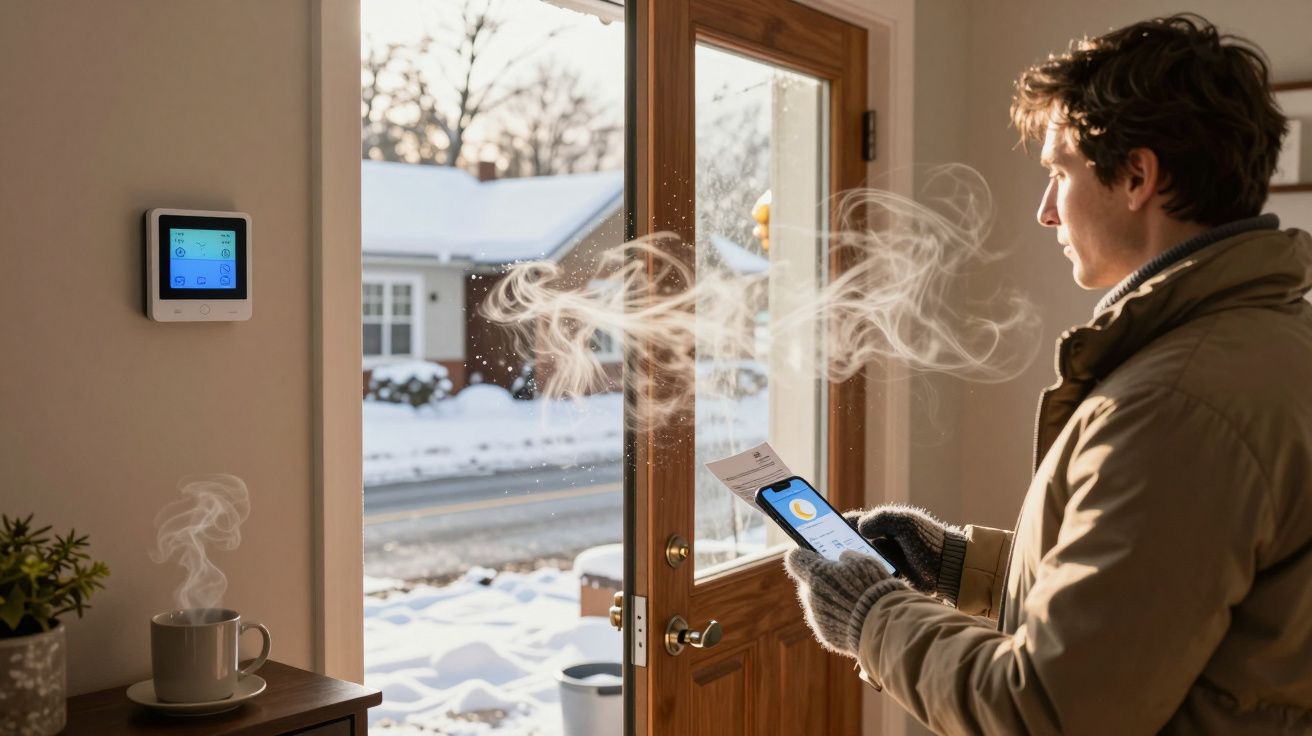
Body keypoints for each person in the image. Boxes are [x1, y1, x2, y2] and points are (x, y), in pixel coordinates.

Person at [783, 13, 1312, 735]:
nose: (1044, 211)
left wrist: (872, 614)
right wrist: (958, 565)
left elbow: (1049, 712)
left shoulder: (1175, 405)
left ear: (1137, 176)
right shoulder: (1263, 344)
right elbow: (1153, 610)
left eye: (1058, 171)